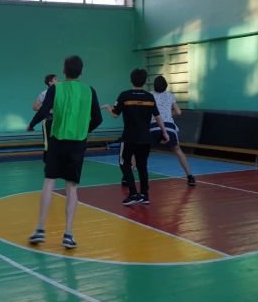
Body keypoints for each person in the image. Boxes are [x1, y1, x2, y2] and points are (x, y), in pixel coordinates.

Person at [27, 56, 103, 249]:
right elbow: (98, 118)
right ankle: (68, 233)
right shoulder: (89, 90)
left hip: (57, 141)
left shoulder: (56, 89)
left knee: (49, 182)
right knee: (71, 187)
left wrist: (32, 124)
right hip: (77, 144)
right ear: (82, 71)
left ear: (63, 70)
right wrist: (84, 131)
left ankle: (40, 228)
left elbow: (44, 110)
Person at [102, 69, 169, 206]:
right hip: (145, 138)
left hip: (129, 138)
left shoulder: (124, 95)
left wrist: (108, 107)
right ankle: (144, 195)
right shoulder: (149, 97)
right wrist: (165, 132)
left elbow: (115, 114)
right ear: (145, 81)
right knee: (142, 165)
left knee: (124, 163)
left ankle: (133, 193)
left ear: (131, 80)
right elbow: (157, 117)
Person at [150, 75, 196, 186]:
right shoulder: (170, 95)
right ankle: (190, 177)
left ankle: (126, 177)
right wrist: (168, 115)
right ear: (165, 86)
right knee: (178, 150)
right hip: (169, 127)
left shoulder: (150, 95)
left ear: (154, 86)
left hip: (154, 126)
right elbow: (178, 112)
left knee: (142, 150)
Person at [29, 74, 58, 160]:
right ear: (50, 82)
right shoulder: (44, 93)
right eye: (55, 79)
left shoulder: (61, 92)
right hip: (49, 120)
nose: (58, 80)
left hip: (59, 120)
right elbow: (35, 107)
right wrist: (48, 110)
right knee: (49, 143)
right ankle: (48, 161)